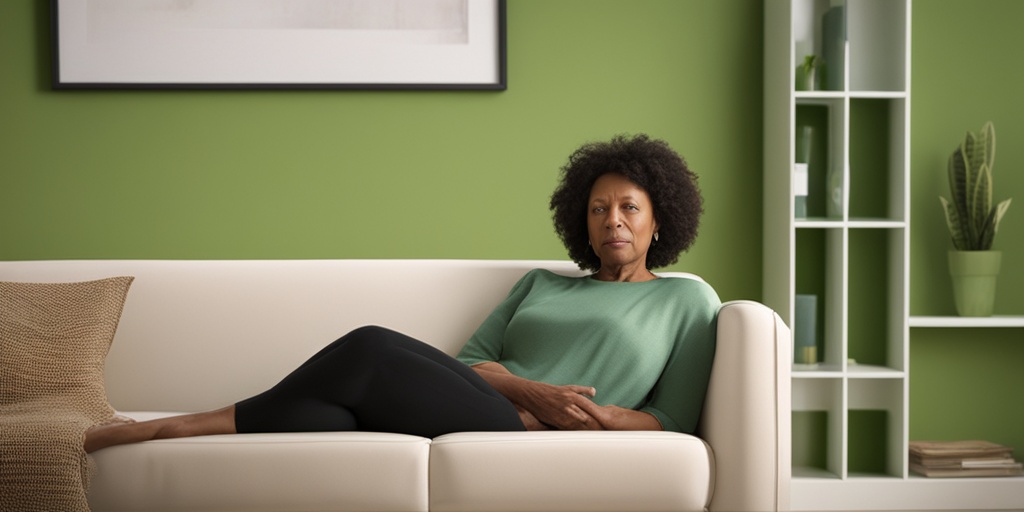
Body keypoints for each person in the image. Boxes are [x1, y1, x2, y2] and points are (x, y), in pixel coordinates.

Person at [84, 134, 719, 453]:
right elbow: (471, 362)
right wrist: (530, 390)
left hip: (526, 429)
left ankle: (174, 425)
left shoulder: (687, 302)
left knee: (368, 346)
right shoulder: (542, 284)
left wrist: (582, 417)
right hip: (498, 404)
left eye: (629, 208)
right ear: (579, 221)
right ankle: (170, 433)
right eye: (598, 209)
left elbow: (672, 421)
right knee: (331, 418)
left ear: (659, 218)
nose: (612, 221)